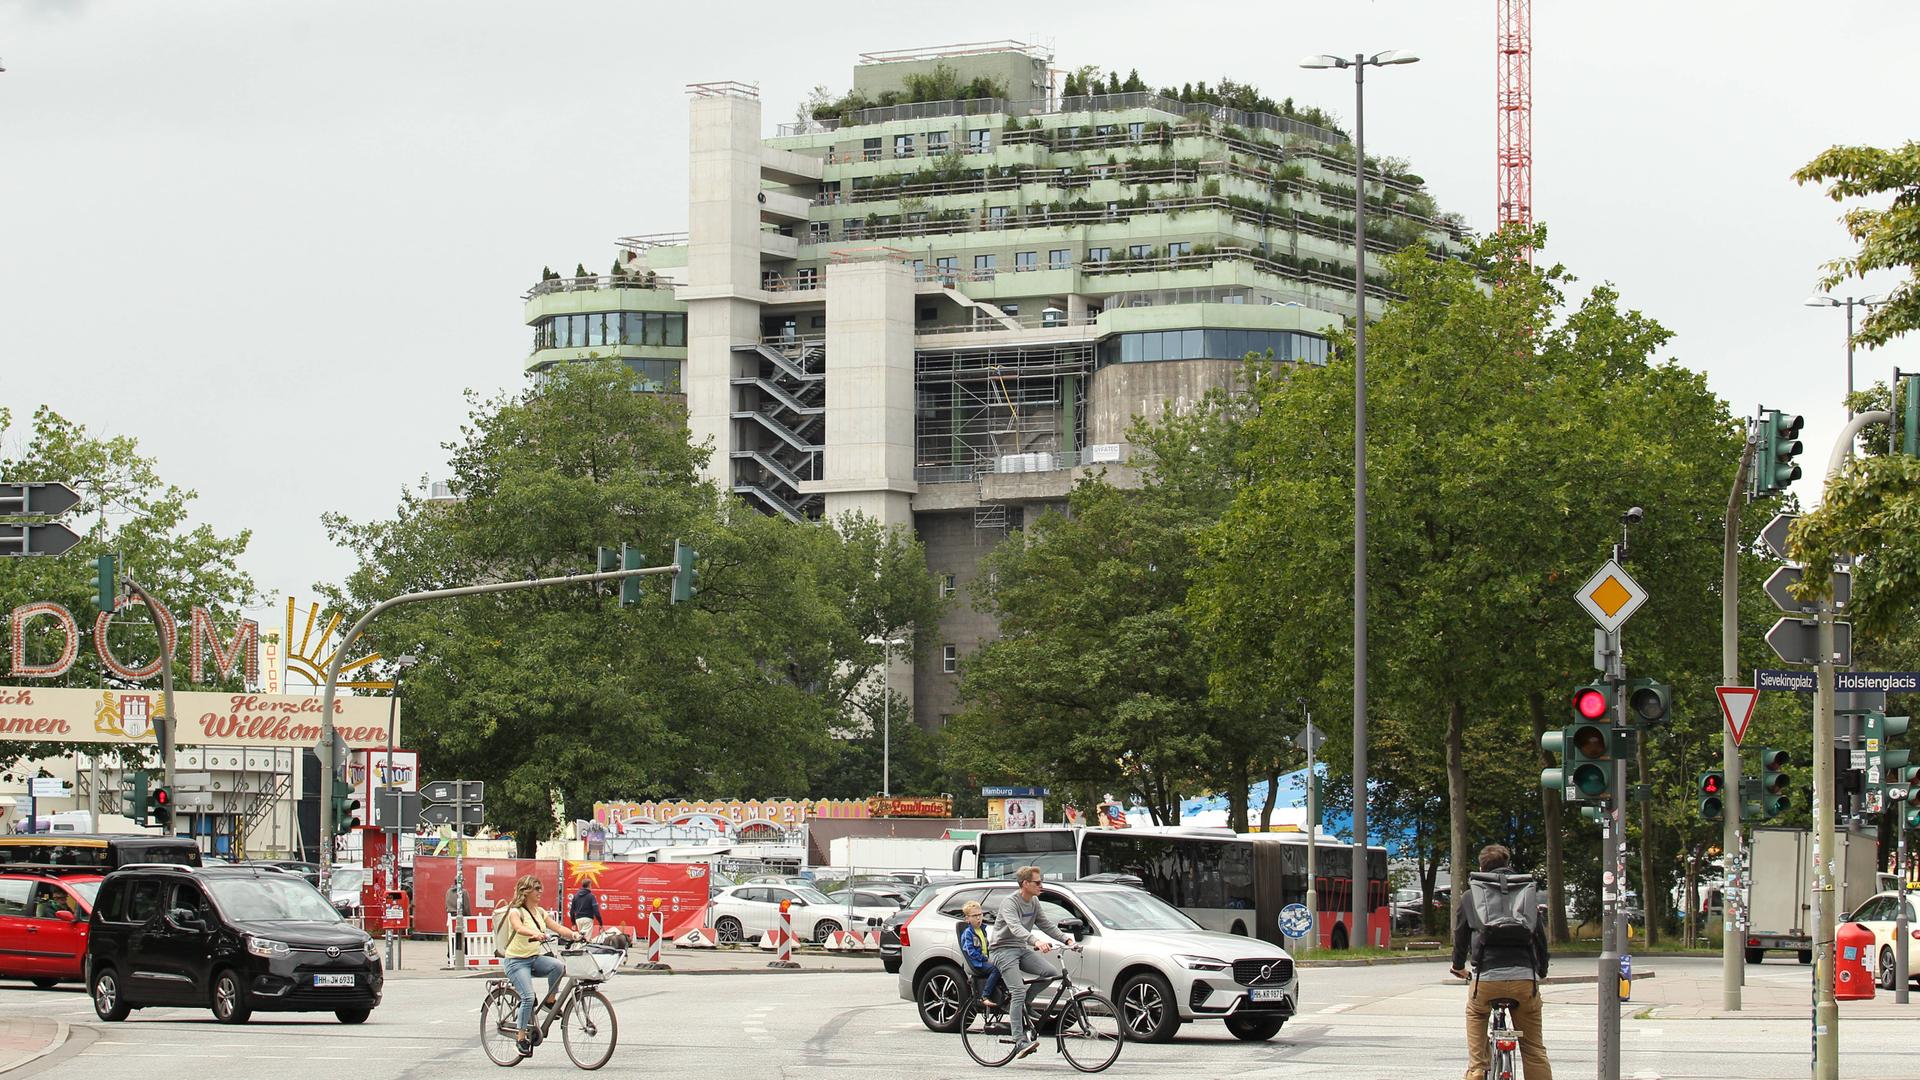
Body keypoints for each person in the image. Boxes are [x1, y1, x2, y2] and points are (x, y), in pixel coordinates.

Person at [1451, 844, 1552, 1080]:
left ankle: (1477, 1069)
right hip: (1524, 980)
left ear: (1481, 867)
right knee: (1534, 1049)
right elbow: (1540, 937)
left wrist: (1458, 966)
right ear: (1508, 864)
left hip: (1486, 980)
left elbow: (1460, 937)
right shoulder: (1526, 894)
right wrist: (1542, 970)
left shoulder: (1470, 896)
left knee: (1476, 1013)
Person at [990, 866, 1076, 1060]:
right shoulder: (1010, 903)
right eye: (1037, 882)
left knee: (1049, 972)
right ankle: (1019, 1039)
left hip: (1020, 949)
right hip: (1002, 950)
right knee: (1017, 990)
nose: (1041, 885)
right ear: (1025, 884)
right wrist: (1035, 941)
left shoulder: (1034, 901)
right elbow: (1015, 927)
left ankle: (1025, 1004)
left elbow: (1046, 924)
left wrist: (1068, 940)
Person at [500, 876, 584, 1057]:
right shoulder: (516, 911)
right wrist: (535, 934)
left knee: (558, 967)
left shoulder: (539, 912)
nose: (540, 892)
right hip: (515, 961)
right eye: (536, 888)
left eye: (541, 889)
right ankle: (520, 1039)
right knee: (528, 997)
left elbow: (558, 928)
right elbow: (519, 927)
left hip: (533, 958)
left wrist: (575, 935)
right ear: (526, 891)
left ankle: (550, 1001)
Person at [958, 900, 1001, 1008]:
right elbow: (971, 952)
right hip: (977, 963)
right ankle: (985, 996)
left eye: (980, 915)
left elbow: (986, 946)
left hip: (984, 959)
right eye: (974, 916)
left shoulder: (982, 930)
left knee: (1003, 964)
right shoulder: (968, 933)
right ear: (967, 918)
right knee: (995, 969)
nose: (978, 918)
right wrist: (985, 958)